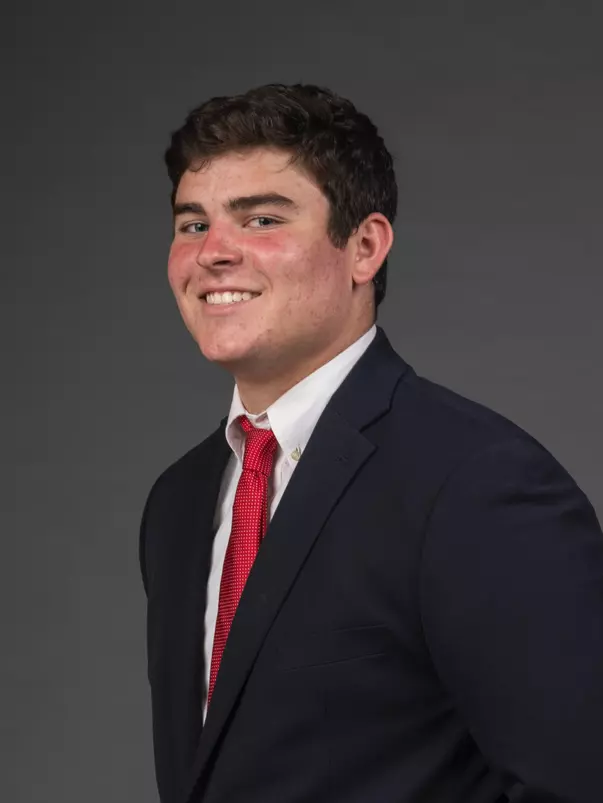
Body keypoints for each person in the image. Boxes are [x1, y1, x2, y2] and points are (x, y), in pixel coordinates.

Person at [138, 83, 603, 803]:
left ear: (363, 247)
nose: (213, 253)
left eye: (260, 218)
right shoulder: (178, 501)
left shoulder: (475, 483)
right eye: (191, 224)